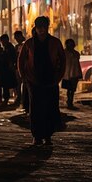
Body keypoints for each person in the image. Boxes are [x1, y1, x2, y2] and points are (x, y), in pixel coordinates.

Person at [18, 16, 66, 145]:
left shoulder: (55, 42)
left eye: (44, 27)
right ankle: (36, 135)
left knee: (50, 107)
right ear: (36, 28)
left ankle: (48, 135)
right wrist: (24, 76)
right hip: (34, 80)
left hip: (51, 80)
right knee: (35, 108)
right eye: (39, 27)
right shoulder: (29, 43)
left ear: (47, 27)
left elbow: (62, 59)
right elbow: (21, 60)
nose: (41, 30)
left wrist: (59, 76)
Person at [0, 34, 18, 105]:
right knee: (8, 85)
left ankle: (8, 99)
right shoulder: (6, 47)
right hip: (5, 69)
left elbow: (10, 58)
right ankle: (11, 98)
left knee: (7, 85)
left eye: (3, 41)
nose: (3, 42)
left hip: (7, 69)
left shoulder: (9, 48)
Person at [62, 39, 82, 109]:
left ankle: (70, 102)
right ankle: (69, 102)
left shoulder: (76, 53)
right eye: (69, 44)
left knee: (72, 89)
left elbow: (77, 63)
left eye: (72, 44)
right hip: (67, 74)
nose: (71, 46)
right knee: (68, 89)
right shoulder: (63, 53)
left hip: (75, 73)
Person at [13, 31, 28, 110]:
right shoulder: (17, 46)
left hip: (24, 68)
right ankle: (19, 98)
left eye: (16, 37)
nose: (15, 39)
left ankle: (22, 99)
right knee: (18, 84)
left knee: (24, 84)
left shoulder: (25, 45)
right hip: (18, 68)